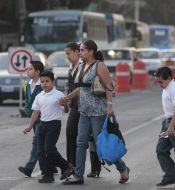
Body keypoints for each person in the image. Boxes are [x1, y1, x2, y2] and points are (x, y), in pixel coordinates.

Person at [61, 40, 129, 185]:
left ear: (91, 51)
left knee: (101, 145)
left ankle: (123, 168)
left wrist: (109, 107)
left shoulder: (99, 65)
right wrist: (67, 97)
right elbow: (82, 88)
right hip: (84, 111)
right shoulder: (81, 65)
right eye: (79, 50)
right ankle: (78, 175)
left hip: (98, 112)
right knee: (80, 143)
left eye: (83, 50)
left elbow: (109, 87)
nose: (80, 53)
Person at [23, 70, 72, 183]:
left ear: (52, 82)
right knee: (41, 151)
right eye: (42, 81)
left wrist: (64, 104)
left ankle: (66, 166)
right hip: (42, 124)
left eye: (47, 81)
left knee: (49, 149)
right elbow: (35, 112)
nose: (44, 84)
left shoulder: (58, 95)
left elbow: (66, 110)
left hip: (54, 124)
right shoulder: (39, 96)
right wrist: (30, 127)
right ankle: (47, 175)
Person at [64, 42, 101, 177]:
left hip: (88, 106)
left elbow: (107, 87)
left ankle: (96, 167)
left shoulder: (86, 66)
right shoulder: (72, 67)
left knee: (92, 139)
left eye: (69, 53)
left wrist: (108, 105)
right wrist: (67, 100)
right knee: (73, 136)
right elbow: (73, 87)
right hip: (76, 105)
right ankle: (72, 166)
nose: (67, 56)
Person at [18, 60, 50, 177]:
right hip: (33, 117)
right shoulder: (28, 83)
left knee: (37, 142)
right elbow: (27, 100)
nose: (28, 70)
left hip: (42, 118)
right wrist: (27, 111)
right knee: (46, 144)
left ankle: (29, 168)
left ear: (37, 71)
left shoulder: (42, 84)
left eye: (30, 69)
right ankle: (51, 166)